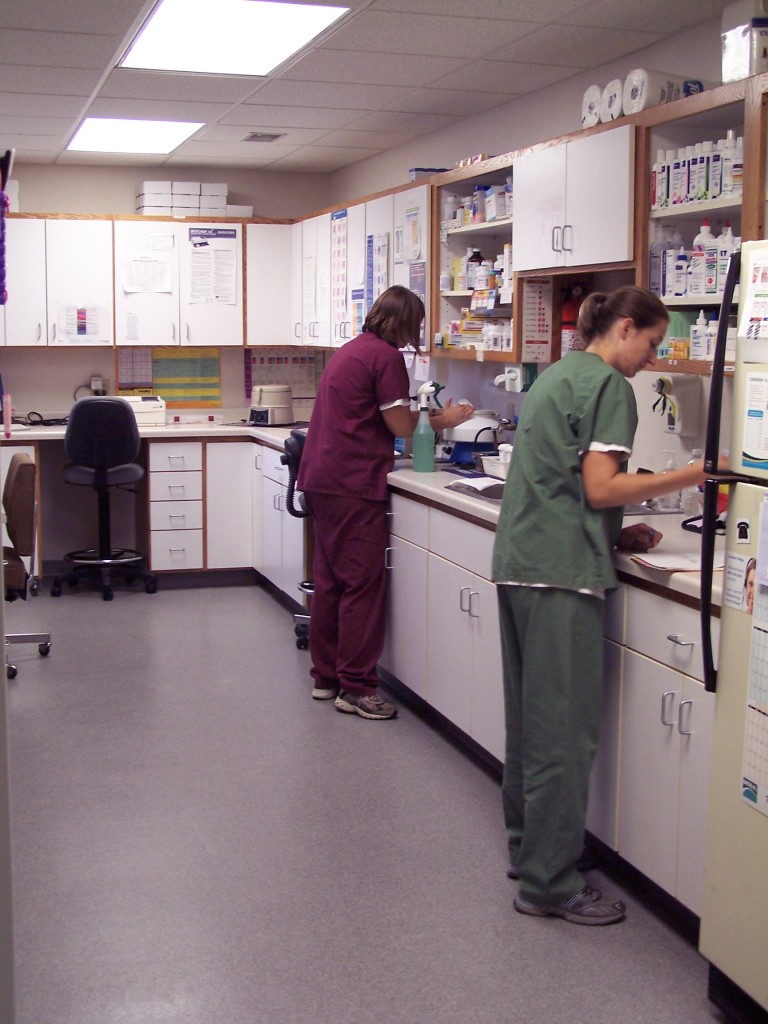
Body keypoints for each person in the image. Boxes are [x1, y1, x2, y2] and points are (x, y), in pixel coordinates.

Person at [491, 286, 710, 925]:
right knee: (563, 733)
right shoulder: (612, 387)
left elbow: (561, 480)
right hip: (561, 575)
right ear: (623, 328)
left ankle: (529, 850)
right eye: (650, 342)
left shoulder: (560, 374)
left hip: (522, 565)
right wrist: (694, 474)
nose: (651, 356)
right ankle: (550, 884)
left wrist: (618, 532)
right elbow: (598, 485)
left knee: (529, 724)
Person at [298, 285, 474, 720]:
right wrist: (444, 419)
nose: (415, 334)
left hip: (324, 478)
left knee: (332, 582)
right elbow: (397, 424)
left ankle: (327, 676)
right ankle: (356, 687)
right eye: (415, 326)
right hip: (351, 482)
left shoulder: (353, 349)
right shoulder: (385, 357)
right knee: (362, 584)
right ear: (406, 323)